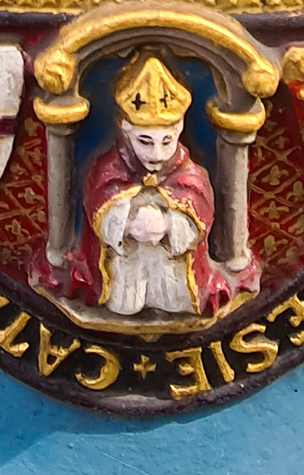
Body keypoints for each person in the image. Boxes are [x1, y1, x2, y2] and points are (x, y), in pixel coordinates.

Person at [80, 53, 220, 318]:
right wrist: (126, 222)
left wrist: (171, 225)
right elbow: (99, 203)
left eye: (166, 142)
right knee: (124, 299)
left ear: (178, 130)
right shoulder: (107, 169)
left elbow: (200, 211)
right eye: (145, 142)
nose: (157, 154)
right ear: (125, 130)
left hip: (171, 268)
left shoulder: (190, 174)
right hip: (127, 266)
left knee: (173, 296)